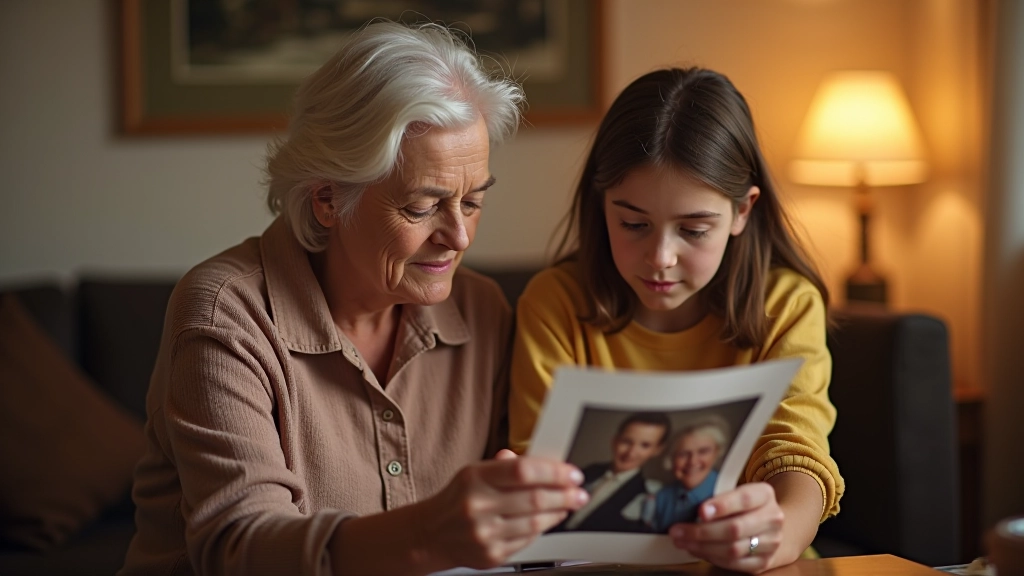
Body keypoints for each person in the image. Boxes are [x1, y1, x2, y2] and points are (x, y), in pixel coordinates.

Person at [119, 21, 590, 576]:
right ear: (327, 198)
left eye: (472, 201)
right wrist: (432, 531)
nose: (458, 237)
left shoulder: (481, 311)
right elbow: (239, 549)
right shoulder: (226, 314)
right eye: (422, 206)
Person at [509, 67, 845, 573]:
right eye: (634, 224)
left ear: (742, 212)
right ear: (602, 206)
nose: (660, 256)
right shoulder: (555, 304)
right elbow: (542, 476)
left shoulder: (786, 304)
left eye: (692, 229)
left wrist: (763, 543)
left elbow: (796, 455)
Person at [558, 412, 669, 533]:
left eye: (645, 445)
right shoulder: (590, 471)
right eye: (626, 441)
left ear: (657, 450)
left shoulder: (645, 496)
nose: (631, 453)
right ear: (615, 440)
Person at [647, 417, 730, 532]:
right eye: (683, 454)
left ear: (717, 453)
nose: (692, 461)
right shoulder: (661, 497)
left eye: (703, 451)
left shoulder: (731, 489)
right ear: (671, 460)